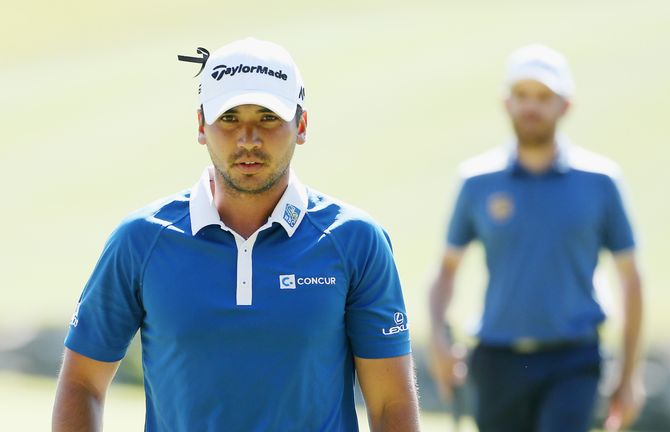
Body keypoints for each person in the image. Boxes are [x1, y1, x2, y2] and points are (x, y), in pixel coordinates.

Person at [52, 37, 420, 432]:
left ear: (302, 126)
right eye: (229, 118)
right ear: (201, 126)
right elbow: (82, 383)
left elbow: (389, 405)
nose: (248, 139)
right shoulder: (141, 241)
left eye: (267, 117)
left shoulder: (355, 240)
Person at [427, 44, 644, 432]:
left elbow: (630, 278)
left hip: (573, 357)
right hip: (496, 358)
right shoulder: (477, 181)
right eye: (522, 96)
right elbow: (446, 269)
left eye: (544, 97)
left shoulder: (600, 181)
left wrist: (628, 376)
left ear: (565, 105)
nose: (532, 107)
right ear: (506, 103)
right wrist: (440, 342)